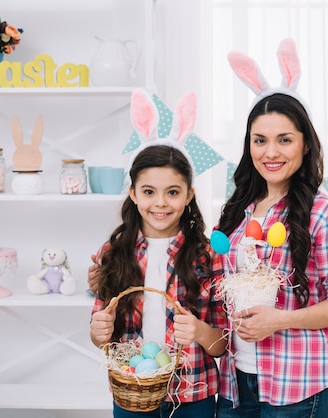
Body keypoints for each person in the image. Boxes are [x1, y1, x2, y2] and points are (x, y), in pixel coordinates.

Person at [215, 40, 328, 418]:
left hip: (298, 387)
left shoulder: (326, 214)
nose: (271, 152)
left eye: (285, 140)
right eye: (260, 140)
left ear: (305, 145)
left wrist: (279, 320)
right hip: (237, 383)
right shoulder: (237, 211)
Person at [89, 144, 228, 418]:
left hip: (192, 395)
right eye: (149, 192)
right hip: (132, 393)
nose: (161, 203)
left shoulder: (207, 255)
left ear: (189, 195)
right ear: (133, 194)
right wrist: (98, 331)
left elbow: (221, 345)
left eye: (173, 192)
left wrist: (199, 330)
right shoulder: (113, 253)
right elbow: (99, 337)